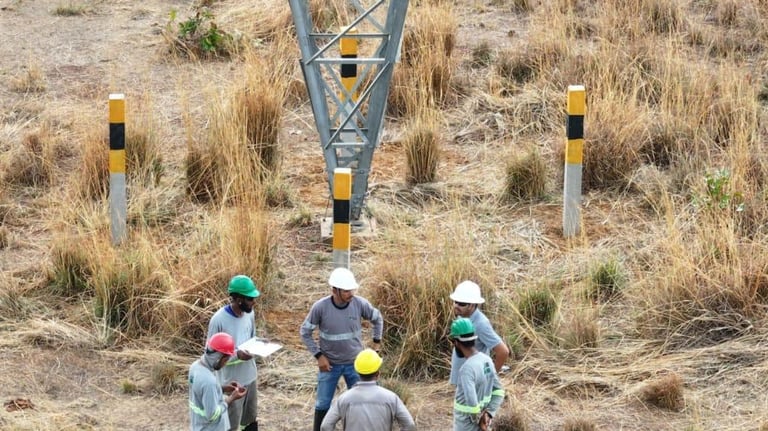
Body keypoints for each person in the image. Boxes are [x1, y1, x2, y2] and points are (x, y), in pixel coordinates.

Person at [300, 267, 384, 431]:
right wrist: (319, 356)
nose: (350, 294)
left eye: (352, 289)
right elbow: (305, 332)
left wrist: (376, 343)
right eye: (346, 291)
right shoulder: (320, 307)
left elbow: (378, 319)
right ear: (334, 290)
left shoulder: (359, 303)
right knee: (323, 403)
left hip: (355, 365)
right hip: (329, 365)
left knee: (363, 401)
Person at [207, 275, 262, 431]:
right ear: (238, 299)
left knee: (250, 421)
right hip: (232, 383)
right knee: (231, 425)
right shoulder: (218, 320)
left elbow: (251, 338)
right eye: (250, 298)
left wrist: (260, 344)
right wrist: (237, 355)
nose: (254, 301)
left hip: (250, 377)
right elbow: (211, 357)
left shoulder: (250, 313)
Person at [321, 349, 415, 431]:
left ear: (358, 373)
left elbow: (325, 426)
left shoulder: (343, 399)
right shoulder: (391, 398)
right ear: (378, 374)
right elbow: (409, 425)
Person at [449, 280, 510, 386]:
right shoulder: (462, 316)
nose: (456, 306)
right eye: (455, 301)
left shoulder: (480, 324)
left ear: (472, 305)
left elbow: (503, 352)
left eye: (462, 303)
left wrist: (490, 378)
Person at [449, 318, 505, 431]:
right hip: (483, 423)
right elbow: (499, 392)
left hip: (465, 426)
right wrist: (489, 413)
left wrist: (479, 421)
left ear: (456, 342)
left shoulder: (466, 369)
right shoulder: (487, 360)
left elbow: (472, 403)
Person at [189, 332, 248, 431]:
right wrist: (232, 398)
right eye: (225, 360)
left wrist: (222, 388)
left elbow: (201, 392)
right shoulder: (209, 381)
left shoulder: (195, 367)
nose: (225, 364)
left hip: (198, 425)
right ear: (219, 358)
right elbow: (212, 415)